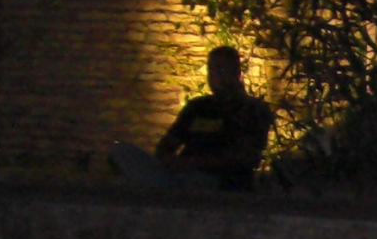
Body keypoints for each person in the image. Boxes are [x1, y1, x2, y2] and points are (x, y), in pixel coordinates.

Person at [111, 46, 274, 191]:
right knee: (122, 152)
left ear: (236, 73)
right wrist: (171, 161)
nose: (214, 76)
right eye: (211, 70)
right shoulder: (198, 106)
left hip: (218, 179)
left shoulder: (252, 109)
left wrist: (195, 163)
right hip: (181, 173)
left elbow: (243, 157)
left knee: (186, 182)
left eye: (221, 69)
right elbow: (167, 145)